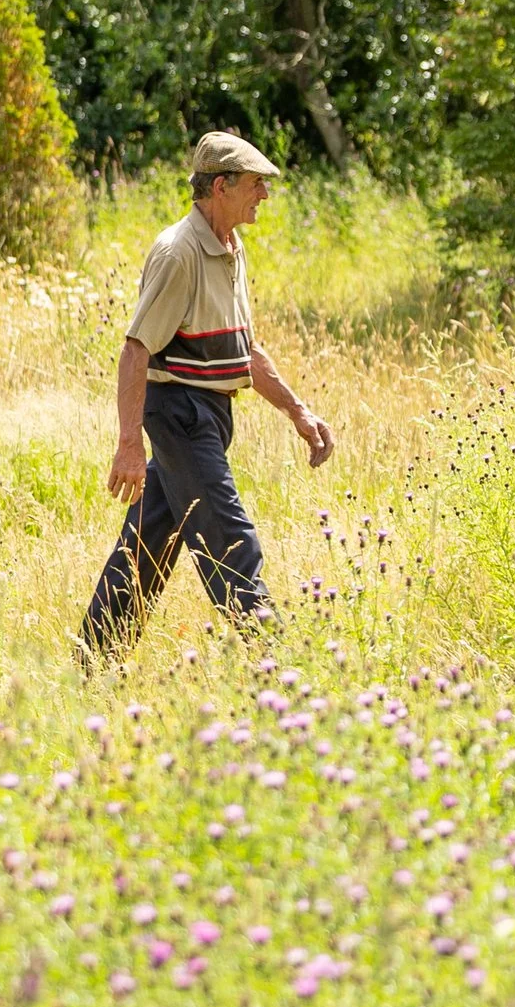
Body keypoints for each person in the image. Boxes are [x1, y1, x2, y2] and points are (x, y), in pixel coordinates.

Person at [80, 132, 335, 664]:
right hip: (180, 418)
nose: (263, 195)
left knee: (149, 546)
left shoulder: (229, 248)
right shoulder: (180, 252)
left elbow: (243, 351)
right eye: (256, 185)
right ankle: (280, 672)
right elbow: (135, 350)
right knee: (231, 541)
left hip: (210, 416)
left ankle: (93, 661)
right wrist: (129, 443)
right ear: (220, 186)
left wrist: (297, 411)